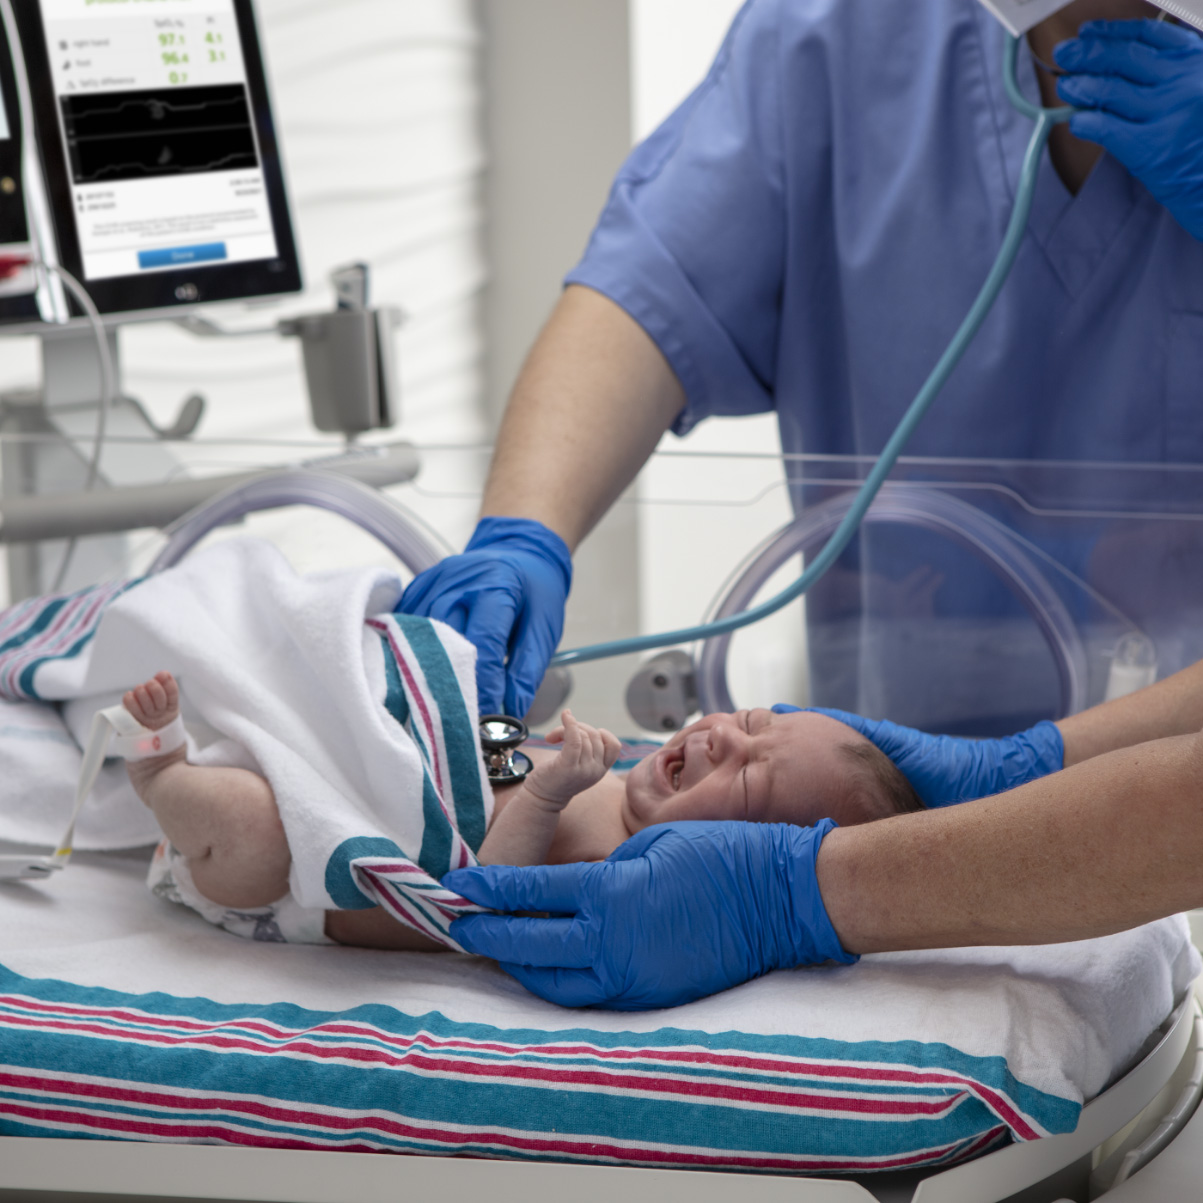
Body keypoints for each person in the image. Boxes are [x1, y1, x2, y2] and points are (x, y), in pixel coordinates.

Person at [400, 0, 1203, 1005]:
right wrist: (526, 528)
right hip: (888, 835)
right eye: (755, 731)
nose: (734, 728)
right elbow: (650, 284)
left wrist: (801, 894)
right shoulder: (850, 32)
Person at [123, 672, 922, 951]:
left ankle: (163, 775)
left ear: (729, 863)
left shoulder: (629, 877)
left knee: (253, 830)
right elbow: (489, 759)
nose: (720, 741)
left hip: (292, 886)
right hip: (350, 779)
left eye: (746, 779)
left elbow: (486, 897)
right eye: (748, 724)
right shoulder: (632, 770)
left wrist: (543, 792)